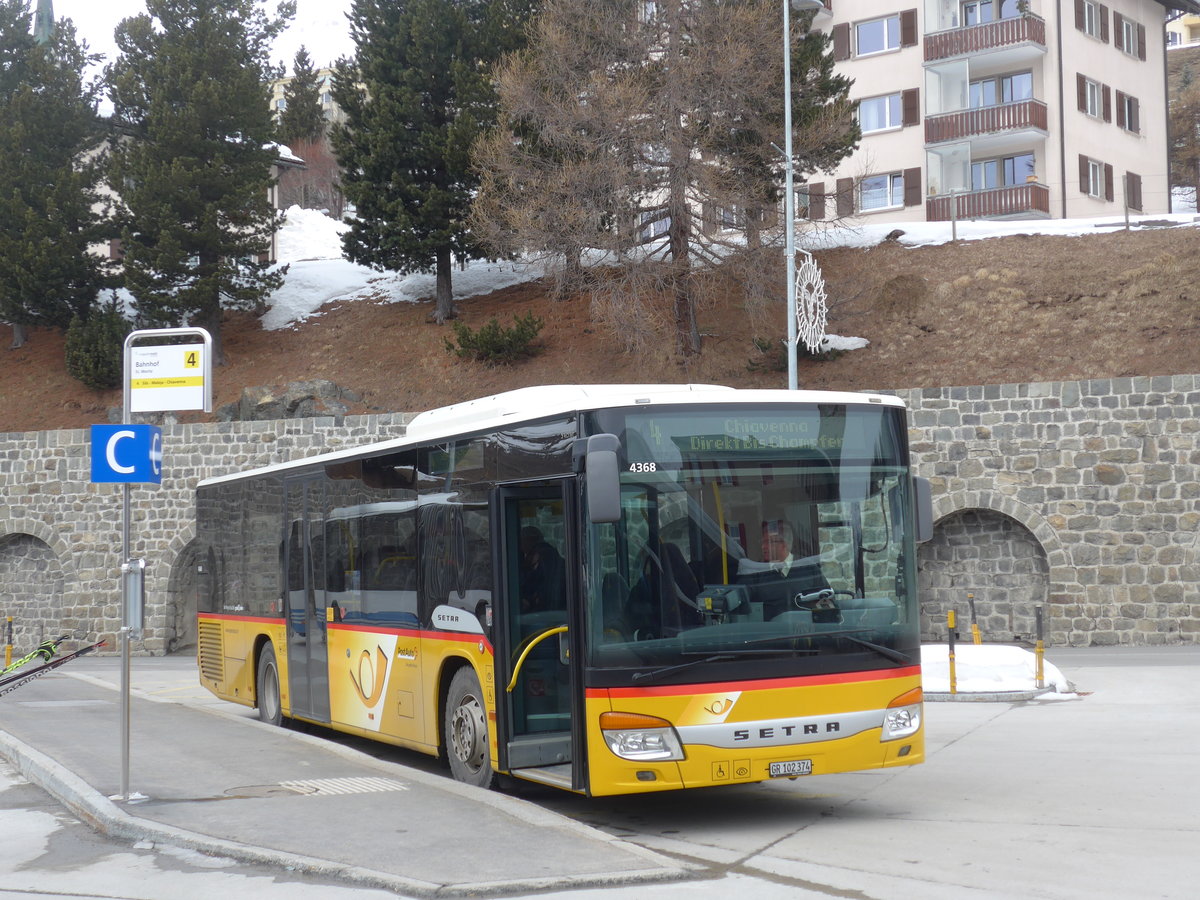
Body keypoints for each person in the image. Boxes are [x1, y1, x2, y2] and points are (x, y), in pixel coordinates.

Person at [738, 519, 832, 620]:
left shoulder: (809, 569)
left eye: (768, 542)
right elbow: (739, 601)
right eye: (762, 542)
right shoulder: (755, 571)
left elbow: (827, 603)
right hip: (769, 634)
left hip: (805, 632)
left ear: (784, 545)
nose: (763, 546)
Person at [519, 526, 565, 612]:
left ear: (528, 540)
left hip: (547, 610)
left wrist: (530, 600)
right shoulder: (551, 555)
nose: (520, 546)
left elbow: (543, 585)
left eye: (521, 541)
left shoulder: (544, 556)